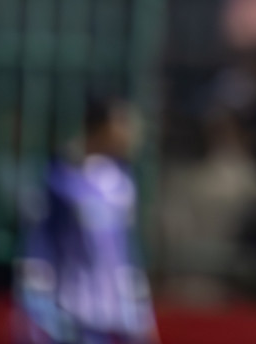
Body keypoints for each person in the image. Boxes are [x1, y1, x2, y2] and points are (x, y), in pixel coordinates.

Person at [15, 97, 157, 344]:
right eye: (122, 123)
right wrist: (38, 309)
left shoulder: (122, 182)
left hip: (111, 317)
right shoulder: (59, 178)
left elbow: (126, 252)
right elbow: (39, 246)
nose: (130, 133)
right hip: (69, 312)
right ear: (100, 128)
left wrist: (141, 315)